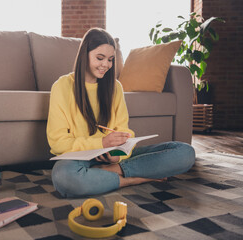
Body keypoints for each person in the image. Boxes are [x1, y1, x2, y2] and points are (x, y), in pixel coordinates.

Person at [46, 28, 195, 198]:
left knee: (185, 153)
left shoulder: (115, 87)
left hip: (112, 158)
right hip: (77, 159)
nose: (106, 65)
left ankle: (112, 171)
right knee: (64, 177)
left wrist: (117, 157)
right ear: (84, 55)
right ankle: (132, 179)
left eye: (110, 60)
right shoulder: (62, 86)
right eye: (100, 58)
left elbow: (125, 133)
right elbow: (57, 143)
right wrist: (101, 143)